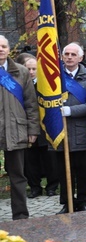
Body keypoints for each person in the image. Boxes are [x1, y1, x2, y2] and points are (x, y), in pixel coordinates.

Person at [54, 43, 86, 214]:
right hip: (60, 131)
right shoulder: (55, 78)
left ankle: (83, 201)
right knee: (64, 170)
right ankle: (67, 202)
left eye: (73, 54)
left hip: (82, 130)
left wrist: (71, 111)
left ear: (80, 58)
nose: (69, 57)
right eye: (66, 54)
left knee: (83, 170)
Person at [0, 35, 39, 220]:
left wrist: (33, 130)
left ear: (9, 49)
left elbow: (31, 104)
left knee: (18, 176)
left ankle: (21, 215)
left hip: (16, 129)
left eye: (3, 46)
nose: (0, 49)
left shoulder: (22, 72)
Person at [17, 54, 58, 198]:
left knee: (50, 160)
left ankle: (52, 186)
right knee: (30, 160)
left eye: (35, 68)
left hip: (46, 126)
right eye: (29, 68)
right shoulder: (19, 84)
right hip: (27, 126)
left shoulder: (45, 84)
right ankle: (35, 187)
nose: (32, 71)